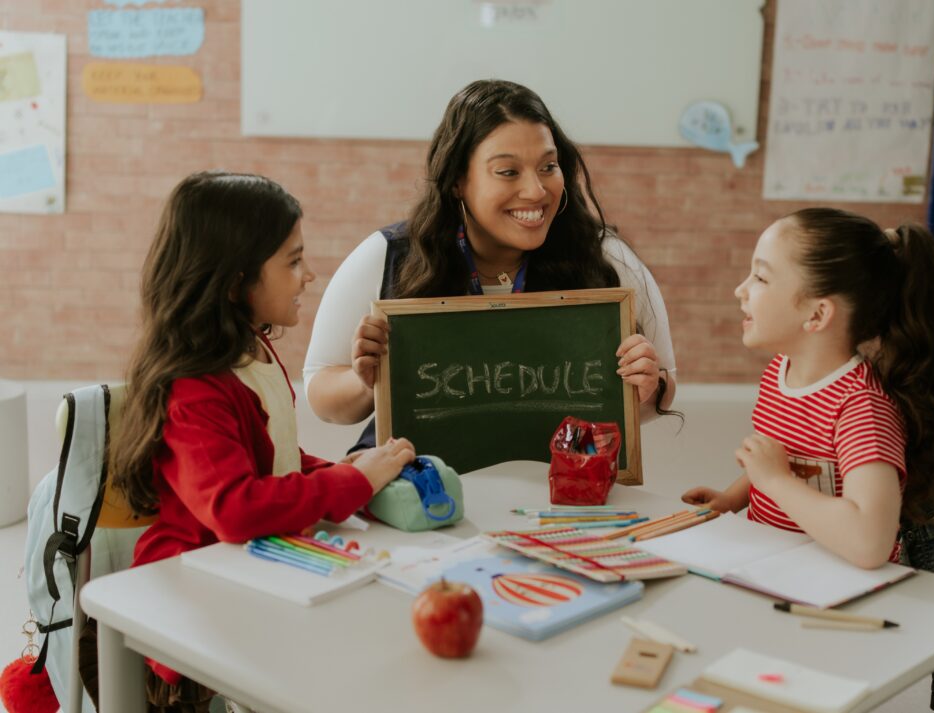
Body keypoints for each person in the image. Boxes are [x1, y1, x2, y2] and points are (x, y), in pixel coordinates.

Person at [102, 171, 415, 711]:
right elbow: (234, 508)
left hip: (253, 569)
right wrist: (349, 481)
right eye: (292, 262)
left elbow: (275, 458)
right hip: (198, 602)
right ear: (235, 282)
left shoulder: (252, 354)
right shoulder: (194, 389)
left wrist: (351, 470)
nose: (308, 275)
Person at [304, 79, 678, 450]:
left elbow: (661, 389)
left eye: (548, 166)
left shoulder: (606, 256)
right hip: (422, 483)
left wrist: (647, 387)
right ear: (457, 181)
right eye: (508, 172)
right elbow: (321, 394)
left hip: (563, 483)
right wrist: (367, 382)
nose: (536, 190)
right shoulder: (387, 255)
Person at [682, 207, 934, 569]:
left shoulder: (861, 408)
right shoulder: (780, 372)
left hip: (838, 581)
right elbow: (786, 463)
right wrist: (731, 499)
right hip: (777, 564)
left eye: (761, 278)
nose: (740, 290)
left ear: (816, 315)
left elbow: (870, 543)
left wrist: (776, 481)